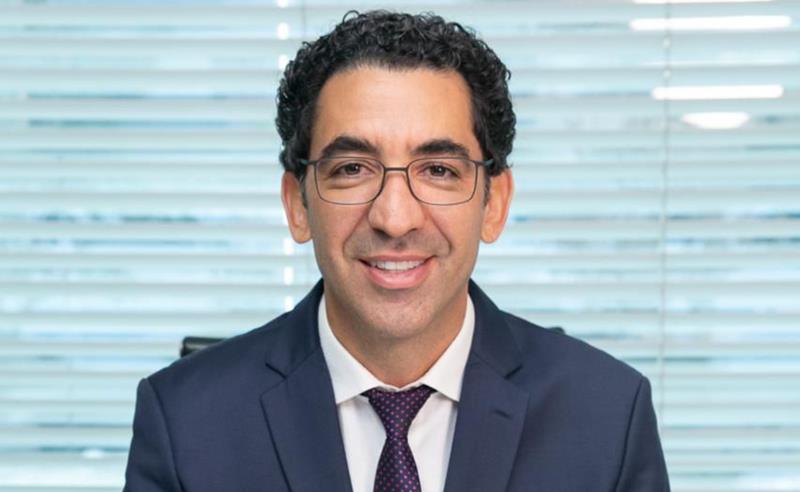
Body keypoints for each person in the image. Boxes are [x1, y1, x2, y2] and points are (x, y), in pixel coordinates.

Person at [124, 10, 670, 492]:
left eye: (438, 170)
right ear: (297, 204)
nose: (395, 218)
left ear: (494, 203)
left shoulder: (607, 416)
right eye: (352, 169)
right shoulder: (184, 422)